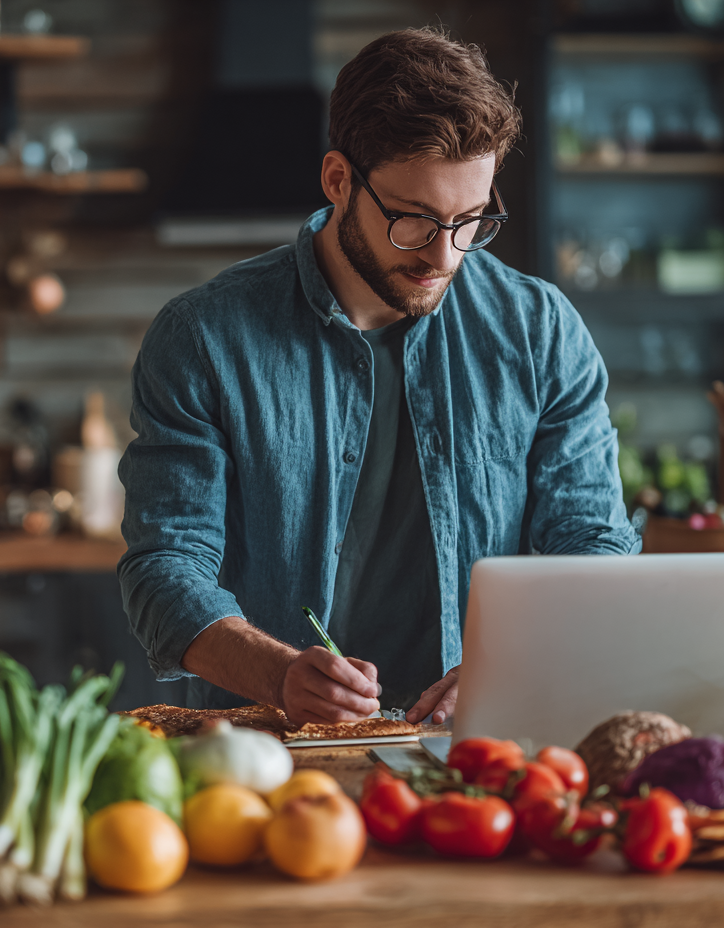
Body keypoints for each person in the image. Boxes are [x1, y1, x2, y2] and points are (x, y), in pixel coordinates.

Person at [118, 27, 640, 726]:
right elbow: (166, 569)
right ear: (339, 180)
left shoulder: (539, 330)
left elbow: (594, 543)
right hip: (271, 751)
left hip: (477, 745)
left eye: (471, 221)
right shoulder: (203, 339)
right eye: (414, 221)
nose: (444, 257)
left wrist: (516, 661)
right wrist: (277, 673)